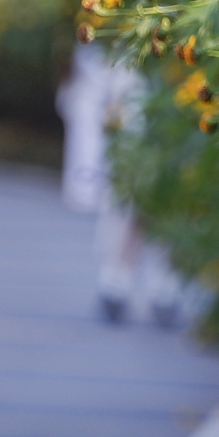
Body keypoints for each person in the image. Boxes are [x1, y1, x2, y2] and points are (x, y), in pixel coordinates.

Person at [57, 43, 177, 324]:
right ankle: (122, 282)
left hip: (164, 129)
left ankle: (153, 285)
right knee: (133, 207)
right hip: (135, 136)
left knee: (164, 207)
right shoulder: (117, 49)